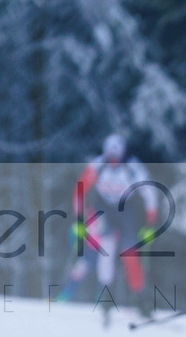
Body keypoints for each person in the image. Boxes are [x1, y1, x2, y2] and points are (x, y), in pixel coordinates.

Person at [67, 133, 159, 321]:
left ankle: (140, 299)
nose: (113, 161)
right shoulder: (98, 165)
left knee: (130, 255)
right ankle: (106, 297)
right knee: (105, 251)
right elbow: (80, 190)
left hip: (126, 211)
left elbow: (150, 193)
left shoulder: (133, 167)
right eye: (111, 157)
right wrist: (79, 219)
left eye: (117, 157)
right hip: (104, 210)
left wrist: (150, 223)